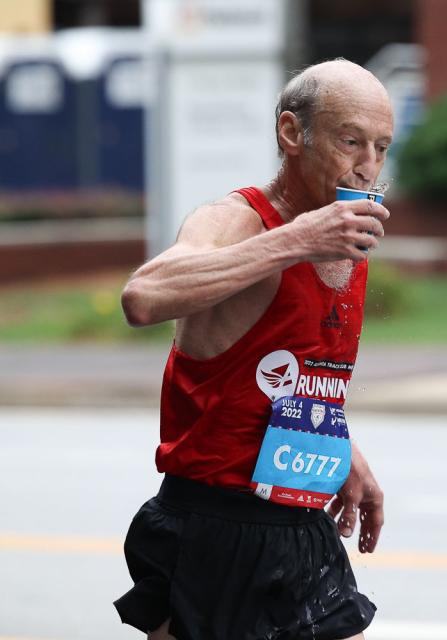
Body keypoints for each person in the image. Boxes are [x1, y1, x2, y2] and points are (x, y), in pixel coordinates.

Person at [113, 59, 393, 640]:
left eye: (382, 147)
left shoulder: (341, 238)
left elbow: (291, 368)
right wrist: (294, 240)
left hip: (301, 522)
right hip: (214, 525)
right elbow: (142, 297)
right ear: (292, 133)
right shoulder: (234, 222)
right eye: (350, 142)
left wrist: (340, 447)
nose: (367, 168)